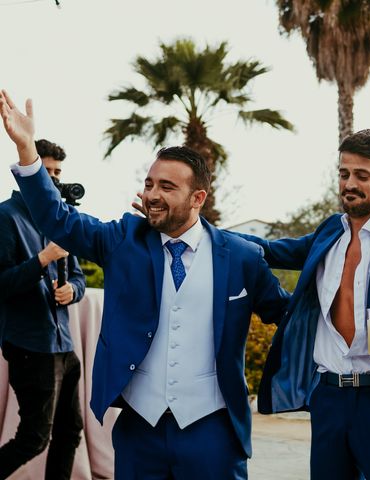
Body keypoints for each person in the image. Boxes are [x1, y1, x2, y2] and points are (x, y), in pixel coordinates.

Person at [0, 90, 289, 480]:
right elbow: (58, 220)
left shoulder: (241, 257)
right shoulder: (124, 240)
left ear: (198, 197)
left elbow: (289, 317)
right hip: (140, 430)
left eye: (167, 187)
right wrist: (27, 152)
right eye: (150, 183)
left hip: (214, 431)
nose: (152, 195)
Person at [237, 128, 370, 480]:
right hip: (329, 398)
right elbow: (269, 249)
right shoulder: (329, 232)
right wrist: (198, 227)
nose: (349, 184)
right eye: (344, 174)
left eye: (361, 175)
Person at [0, 138, 86, 479]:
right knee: (34, 438)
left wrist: (72, 291)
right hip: (30, 345)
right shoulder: (5, 217)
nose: (52, 179)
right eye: (45, 171)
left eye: (57, 172)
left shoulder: (62, 218)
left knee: (70, 432)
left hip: (65, 344)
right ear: (26, 172)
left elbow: (78, 276)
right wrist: (42, 259)